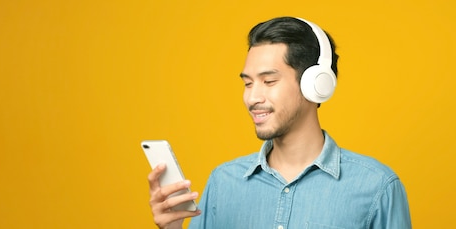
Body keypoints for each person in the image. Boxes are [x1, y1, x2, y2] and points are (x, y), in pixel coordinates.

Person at [147, 16, 412, 229]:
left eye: (269, 81)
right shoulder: (223, 183)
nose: (252, 97)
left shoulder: (377, 187)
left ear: (315, 85)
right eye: (247, 83)